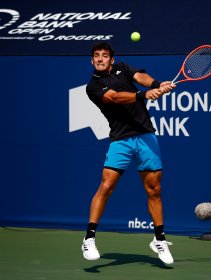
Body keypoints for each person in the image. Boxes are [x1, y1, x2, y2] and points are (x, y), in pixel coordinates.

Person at [82, 42, 176, 265]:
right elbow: (115, 97)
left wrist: (156, 84)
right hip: (121, 140)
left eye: (105, 56)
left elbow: (139, 76)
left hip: (145, 136)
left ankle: (159, 240)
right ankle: (89, 238)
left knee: (154, 189)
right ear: (92, 60)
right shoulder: (92, 87)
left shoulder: (122, 67)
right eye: (96, 56)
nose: (100, 59)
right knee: (106, 186)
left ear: (112, 60)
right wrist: (145, 95)